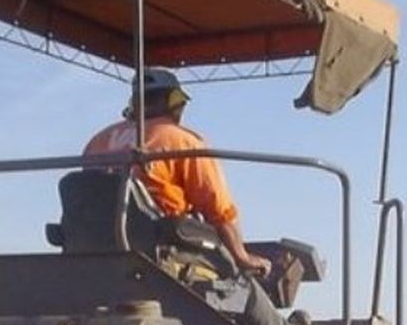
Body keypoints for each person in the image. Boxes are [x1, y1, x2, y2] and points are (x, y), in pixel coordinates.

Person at [84, 68, 271, 276]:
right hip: (157, 249)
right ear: (175, 101)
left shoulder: (97, 141)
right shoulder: (182, 141)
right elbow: (218, 208)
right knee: (242, 283)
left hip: (91, 249)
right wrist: (241, 256)